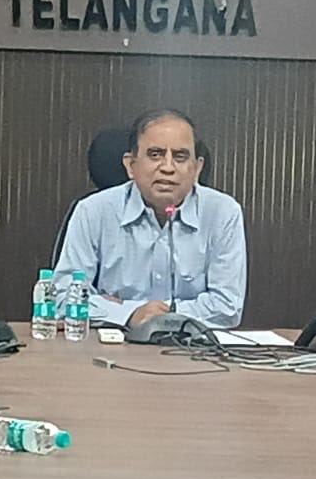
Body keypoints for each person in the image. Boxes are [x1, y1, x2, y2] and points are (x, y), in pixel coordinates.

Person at [55, 109, 246, 328]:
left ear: (197, 168)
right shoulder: (93, 211)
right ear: (131, 165)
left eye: (180, 156)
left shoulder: (222, 213)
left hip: (189, 345)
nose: (168, 167)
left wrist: (133, 312)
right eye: (155, 154)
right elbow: (63, 299)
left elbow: (227, 308)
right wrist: (131, 315)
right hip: (111, 344)